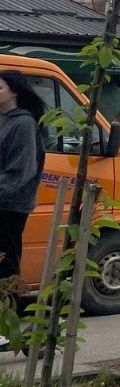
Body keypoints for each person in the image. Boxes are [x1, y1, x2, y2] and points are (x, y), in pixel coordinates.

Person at [0, 70, 46, 283]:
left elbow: (21, 172)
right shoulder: (4, 120)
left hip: (10, 206)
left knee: (5, 265)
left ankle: (7, 309)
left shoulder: (24, 124)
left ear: (14, 92)